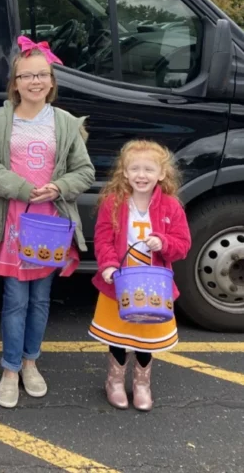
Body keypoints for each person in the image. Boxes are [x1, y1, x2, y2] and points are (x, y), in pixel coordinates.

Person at [0, 36, 95, 409]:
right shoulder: (2, 119)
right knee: (15, 299)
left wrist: (58, 187)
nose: (35, 82)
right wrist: (22, 188)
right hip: (15, 220)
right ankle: (10, 368)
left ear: (51, 81)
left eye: (42, 75)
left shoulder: (64, 123)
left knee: (41, 300)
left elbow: (85, 172)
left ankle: (31, 362)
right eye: (26, 76)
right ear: (15, 83)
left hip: (50, 223)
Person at [89, 140, 191, 411]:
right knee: (118, 335)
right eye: (135, 168)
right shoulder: (113, 202)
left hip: (153, 286)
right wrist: (108, 265)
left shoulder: (170, 206)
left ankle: (142, 384)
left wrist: (164, 243)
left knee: (146, 334)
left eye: (148, 169)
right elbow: (102, 238)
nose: (141, 175)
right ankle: (114, 381)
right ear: (124, 172)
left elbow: (183, 244)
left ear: (161, 174)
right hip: (119, 283)